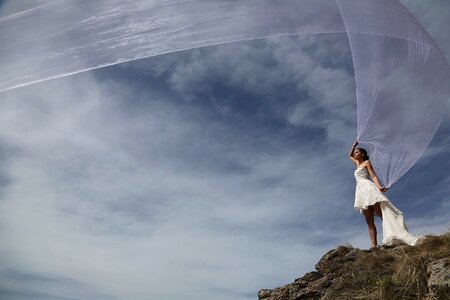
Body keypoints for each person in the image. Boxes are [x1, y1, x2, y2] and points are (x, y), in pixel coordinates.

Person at [349, 141, 421, 248]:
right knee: (369, 220)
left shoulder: (366, 163)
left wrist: (379, 187)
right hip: (360, 191)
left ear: (362, 154)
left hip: (368, 188)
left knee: (383, 214)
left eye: (357, 152)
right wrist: (354, 145)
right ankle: (373, 245)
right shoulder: (357, 164)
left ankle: (393, 234)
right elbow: (349, 155)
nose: (355, 154)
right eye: (355, 152)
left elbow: (373, 176)